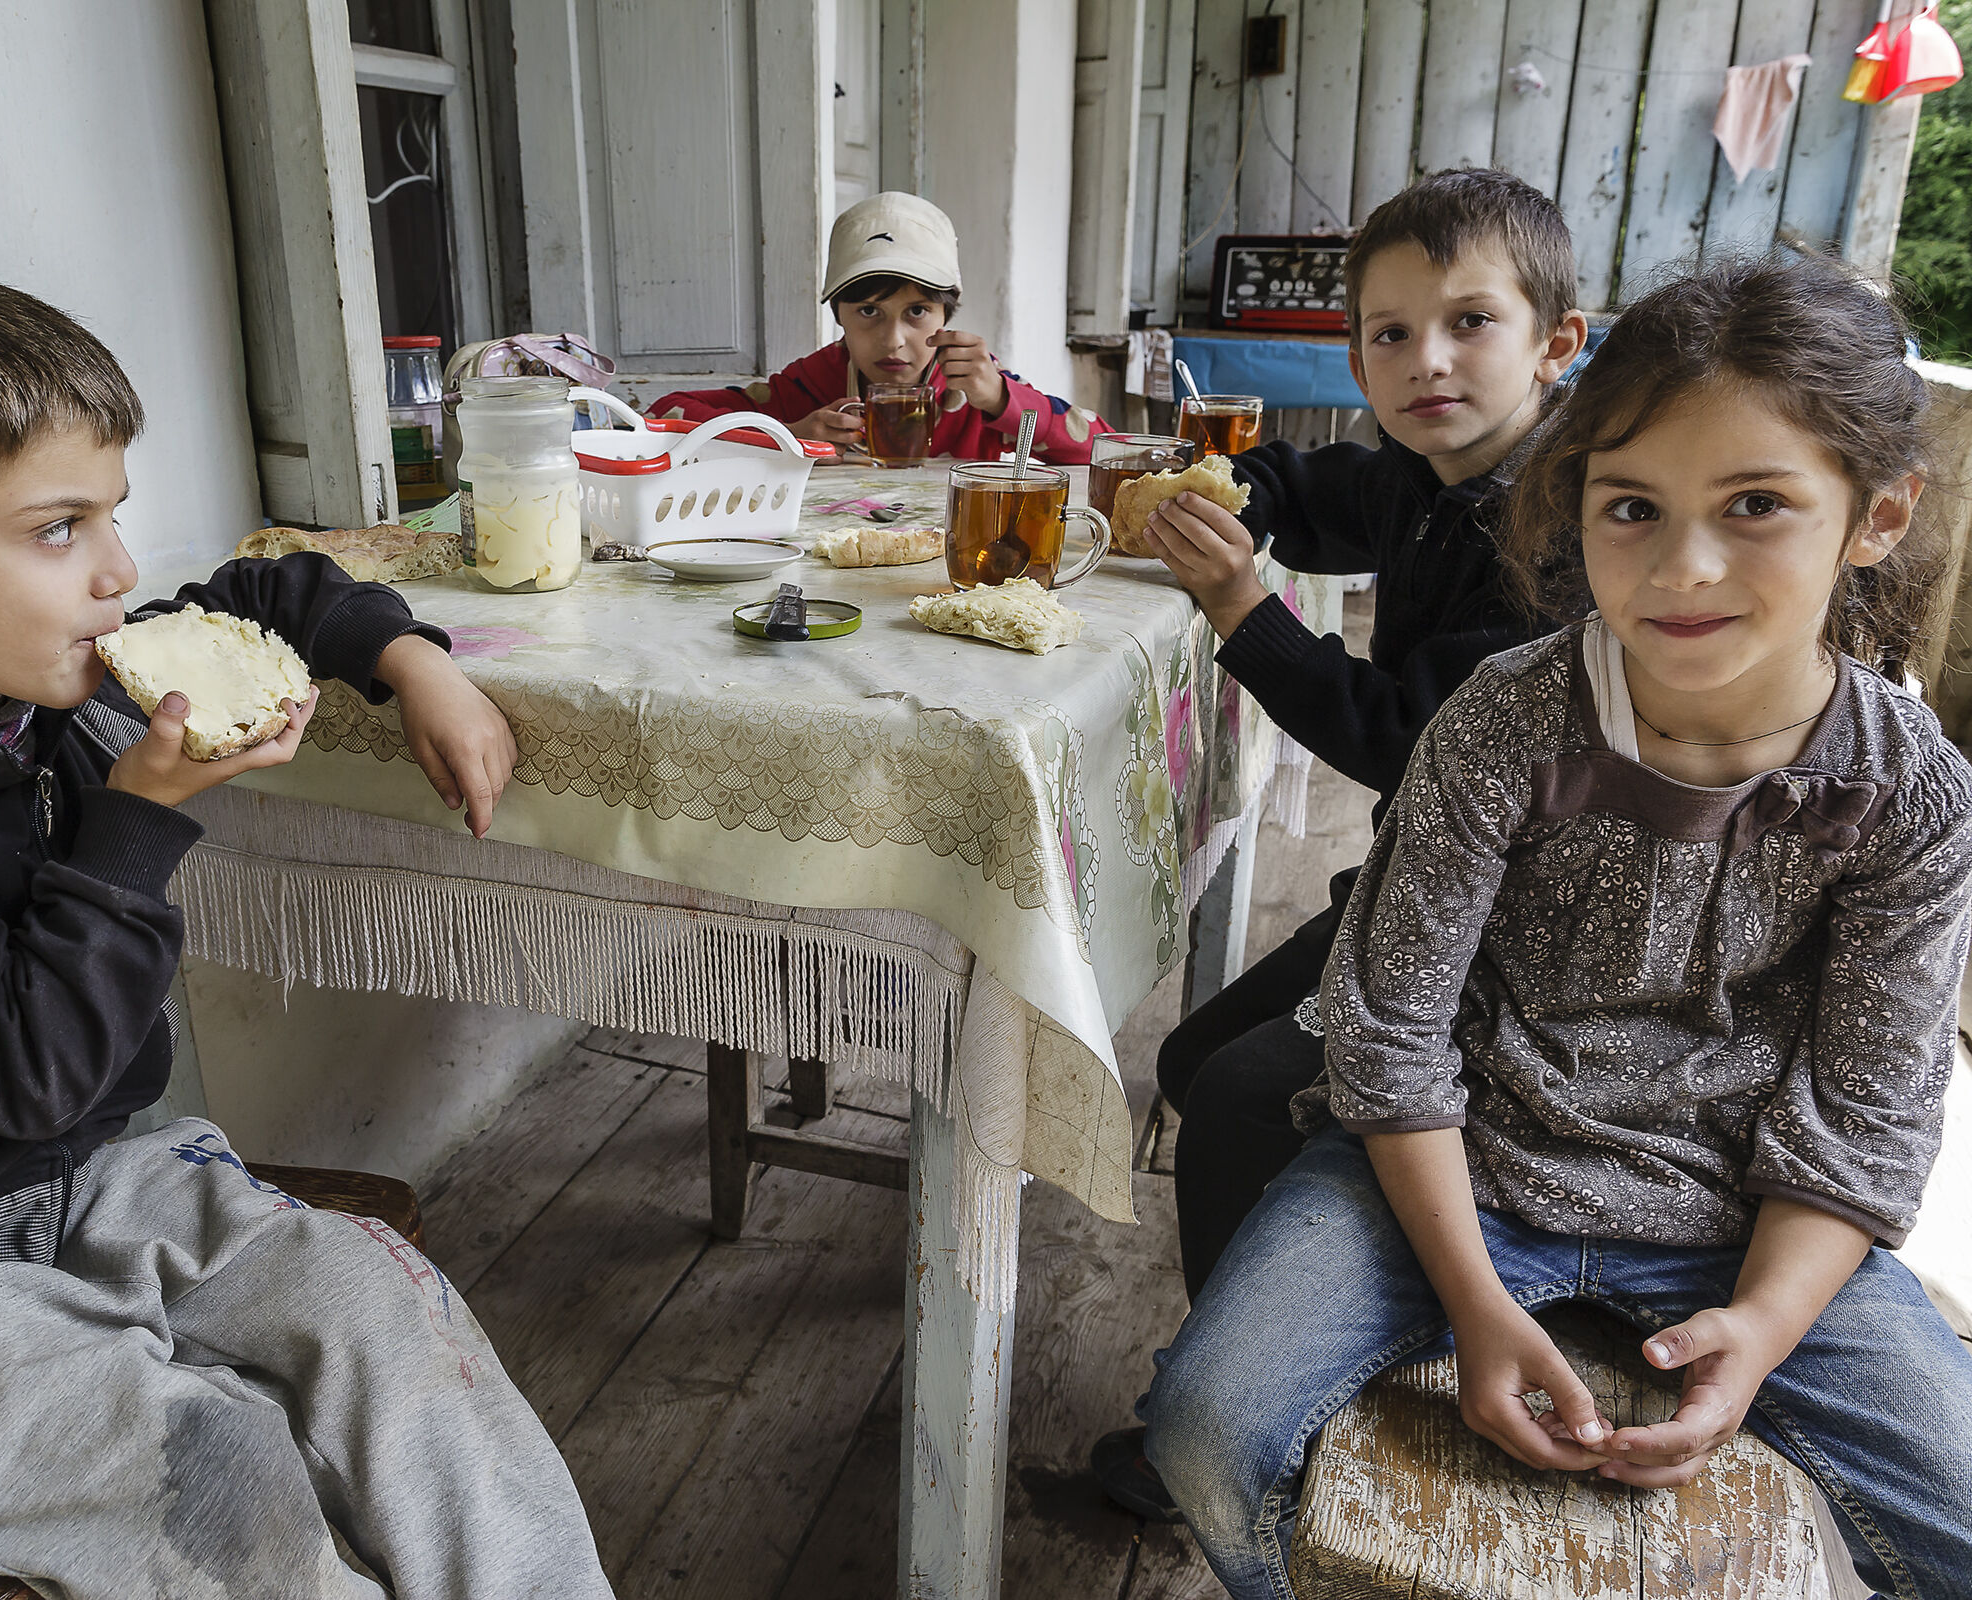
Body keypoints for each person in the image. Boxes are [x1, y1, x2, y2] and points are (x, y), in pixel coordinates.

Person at [0, 250, 612, 1600]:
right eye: (57, 530)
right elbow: (24, 1077)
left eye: (112, 517)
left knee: (379, 1301)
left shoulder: (36, 679)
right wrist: (136, 819)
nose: (119, 573)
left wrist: (407, 658)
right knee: (224, 1463)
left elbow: (269, 593)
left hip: (69, 1189)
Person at [1132, 254, 1972, 1597]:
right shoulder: (1504, 722)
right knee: (1202, 1428)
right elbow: (1389, 1032)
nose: (1683, 566)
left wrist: (1758, 1330)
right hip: (1467, 1163)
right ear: (1573, 509)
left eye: (1757, 504)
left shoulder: (1910, 794)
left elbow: (1864, 1113)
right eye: (1631, 506)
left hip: (1745, 1205)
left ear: (1875, 517)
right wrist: (1474, 1301)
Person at [1132, 169, 1587, 1315]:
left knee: (1236, 1099)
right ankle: (1324, 1263)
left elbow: (1409, 742)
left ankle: (1237, 1406)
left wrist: (1244, 610)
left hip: (1516, 932)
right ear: (1359, 367)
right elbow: (1295, 482)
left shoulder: (1562, 535)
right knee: (1190, 1063)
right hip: (1417, 882)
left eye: (1470, 322)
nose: (1428, 359)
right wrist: (1225, 498)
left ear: (1557, 344)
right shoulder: (1418, 473)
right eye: (1393, 333)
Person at [648, 190, 1100, 463]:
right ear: (838, 314)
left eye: (917, 311)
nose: (893, 340)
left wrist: (1004, 400)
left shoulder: (976, 386)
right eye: (868, 311)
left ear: (947, 316)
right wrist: (788, 435)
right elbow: (664, 413)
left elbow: (1108, 450)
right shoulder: (813, 385)